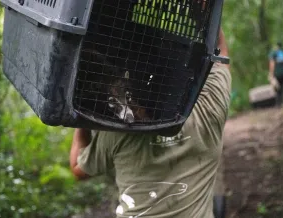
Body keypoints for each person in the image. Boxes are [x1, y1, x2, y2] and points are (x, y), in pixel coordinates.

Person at [69, 29, 231, 218]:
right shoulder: (208, 111)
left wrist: (84, 118)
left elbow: (77, 169)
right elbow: (221, 54)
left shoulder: (116, 134)